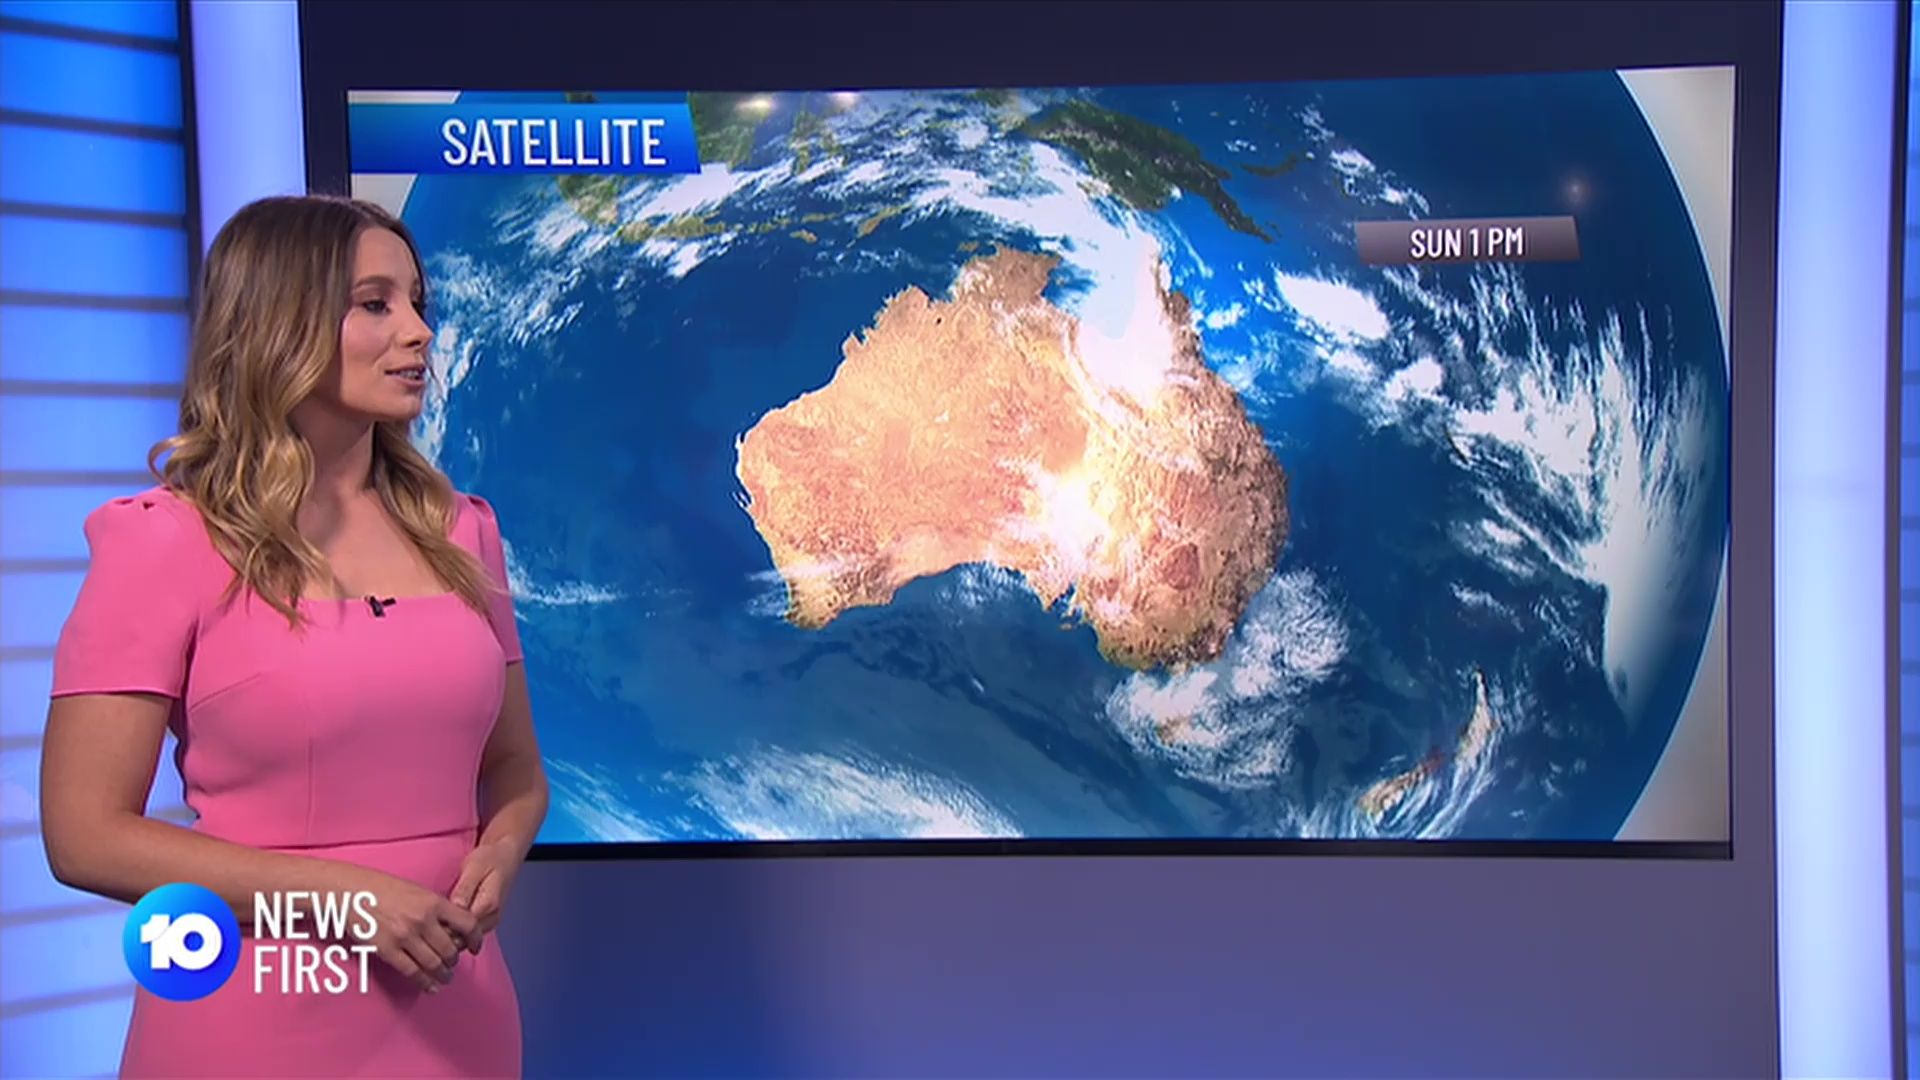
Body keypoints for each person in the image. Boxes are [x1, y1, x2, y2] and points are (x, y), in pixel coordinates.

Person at [38, 194, 550, 1078]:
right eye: (376, 304)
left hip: (456, 1012)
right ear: (280, 321)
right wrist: (344, 903)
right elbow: (83, 834)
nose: (419, 332)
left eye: (418, 302)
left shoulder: (463, 531)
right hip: (254, 1013)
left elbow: (516, 770)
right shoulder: (167, 541)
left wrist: (499, 853)